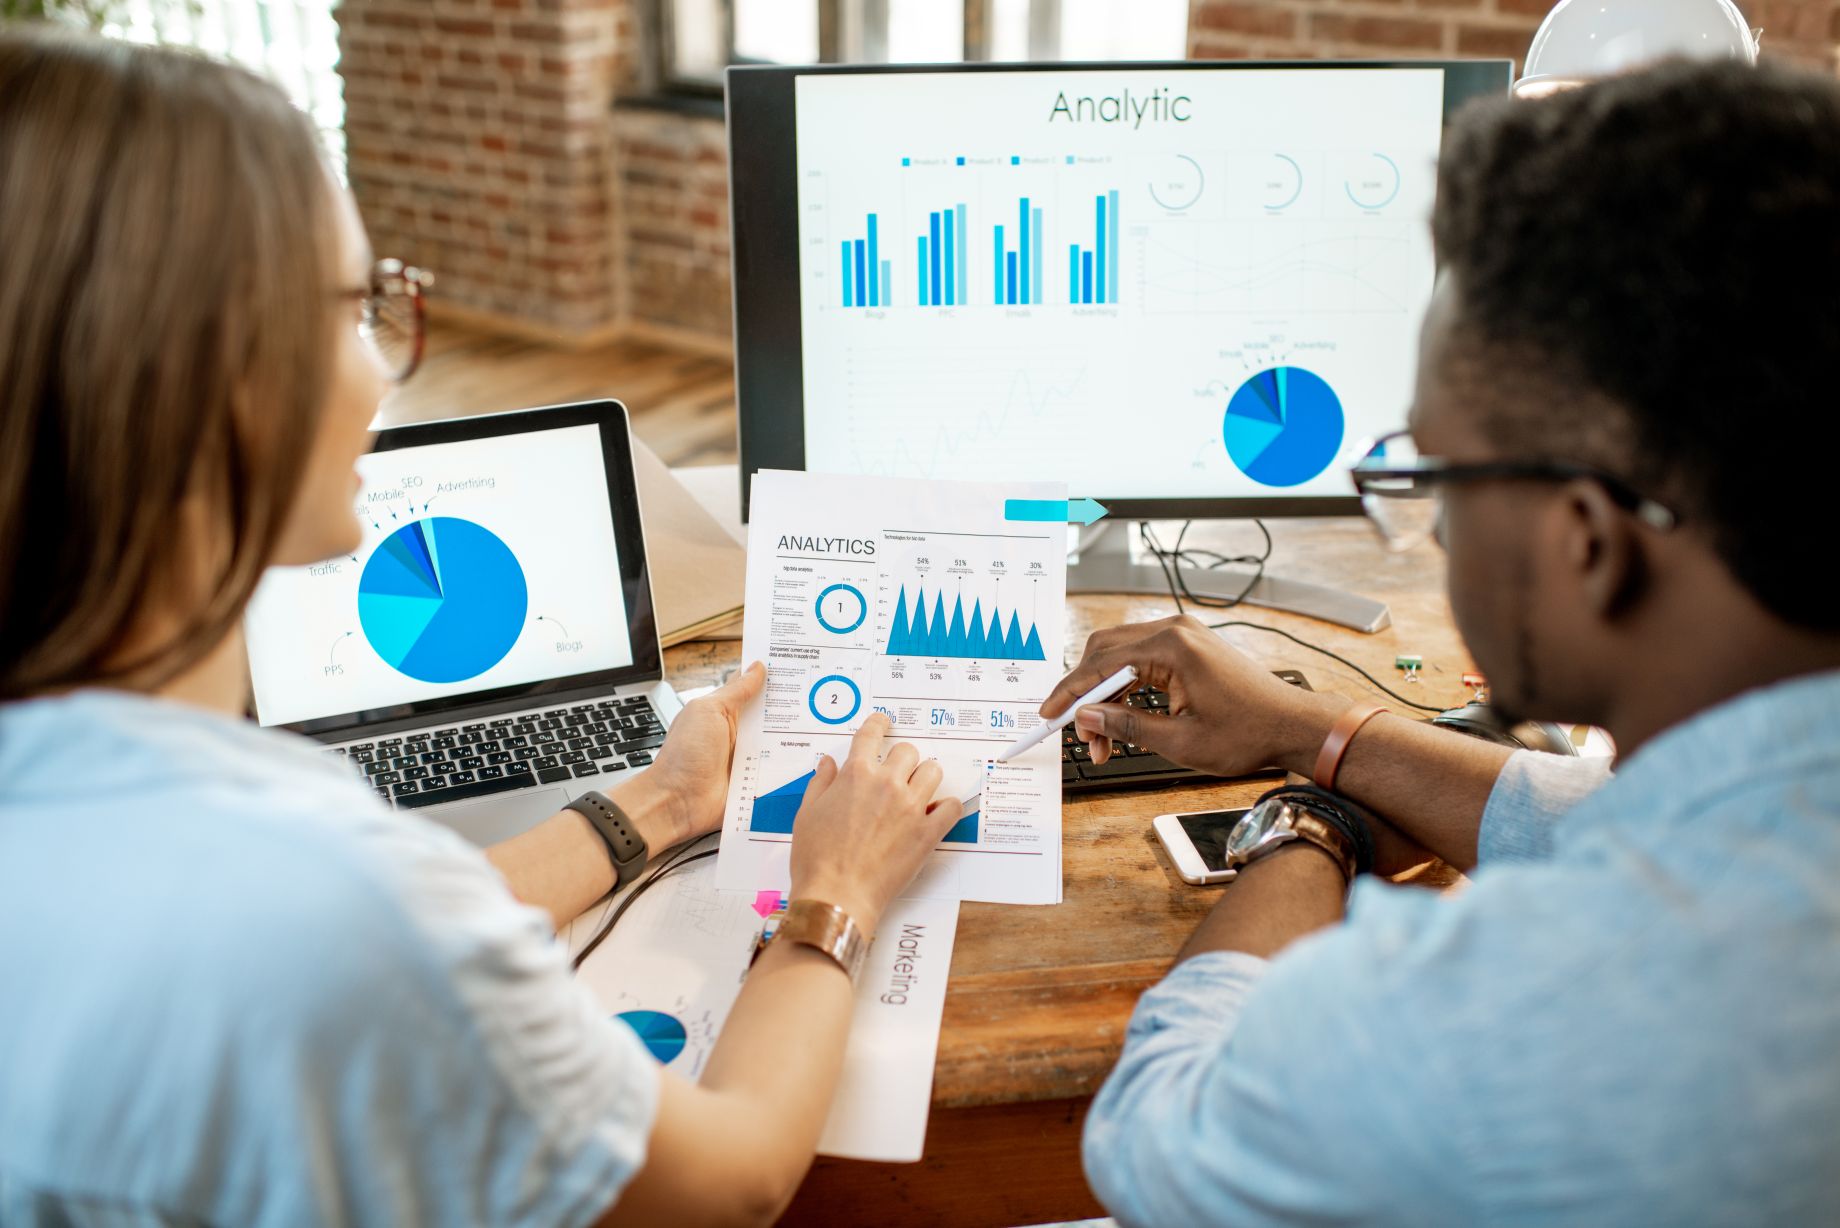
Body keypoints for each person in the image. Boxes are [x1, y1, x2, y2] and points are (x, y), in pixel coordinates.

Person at [0, 30, 960, 1226]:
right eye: (362, 306)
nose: (381, 370)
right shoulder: (326, 897)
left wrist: (658, 804)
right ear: (223, 376)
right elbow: (731, 1177)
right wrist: (837, 891)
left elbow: (397, 936)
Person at [1055, 59, 1840, 1226]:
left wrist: (1301, 828)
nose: (1426, 523)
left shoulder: (1522, 1009)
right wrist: (1312, 732)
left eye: (1434, 474)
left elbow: (1164, 1134)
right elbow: (1621, 811)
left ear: (1584, 539)